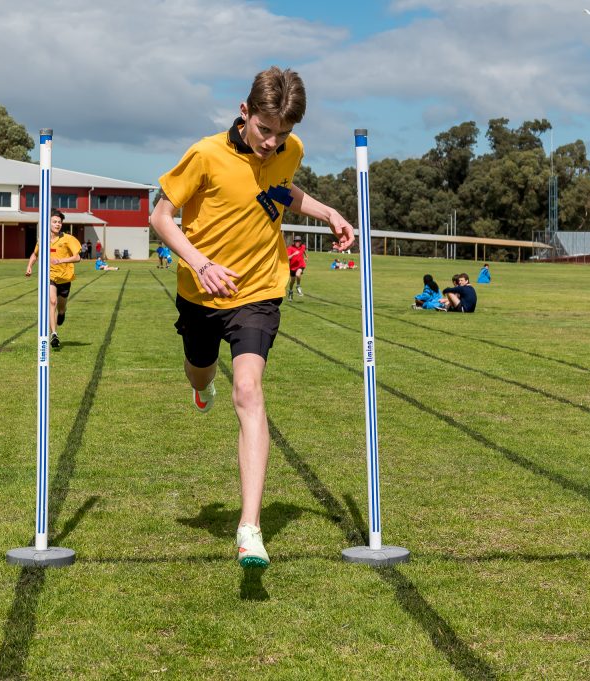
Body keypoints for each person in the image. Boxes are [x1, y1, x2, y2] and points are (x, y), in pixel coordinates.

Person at [149, 66, 355, 569]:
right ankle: (202, 385)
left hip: (259, 289)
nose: (273, 143)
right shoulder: (205, 155)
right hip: (199, 290)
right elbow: (159, 217)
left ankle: (249, 529)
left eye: (282, 133)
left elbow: (284, 192)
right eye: (266, 130)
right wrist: (200, 263)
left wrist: (328, 212)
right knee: (199, 370)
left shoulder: (290, 149)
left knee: (249, 390)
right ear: (245, 113)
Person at [25, 209, 82, 349]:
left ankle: (62, 313)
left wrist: (61, 261)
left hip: (65, 278)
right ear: (48, 223)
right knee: (52, 301)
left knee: (61, 307)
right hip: (50, 277)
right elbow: (35, 254)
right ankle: (54, 334)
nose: (57, 224)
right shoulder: (43, 240)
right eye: (54, 222)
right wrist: (29, 266)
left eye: (59, 222)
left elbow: (78, 257)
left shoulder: (68, 239)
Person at [286, 235, 307, 301]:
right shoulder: (290, 248)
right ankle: (290, 292)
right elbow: (287, 258)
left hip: (301, 265)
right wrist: (293, 254)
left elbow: (304, 251)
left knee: (298, 275)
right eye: (296, 241)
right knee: (292, 281)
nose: (297, 242)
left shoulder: (303, 247)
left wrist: (306, 257)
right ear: (294, 242)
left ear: (300, 242)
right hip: (292, 267)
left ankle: (298, 286)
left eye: (299, 241)